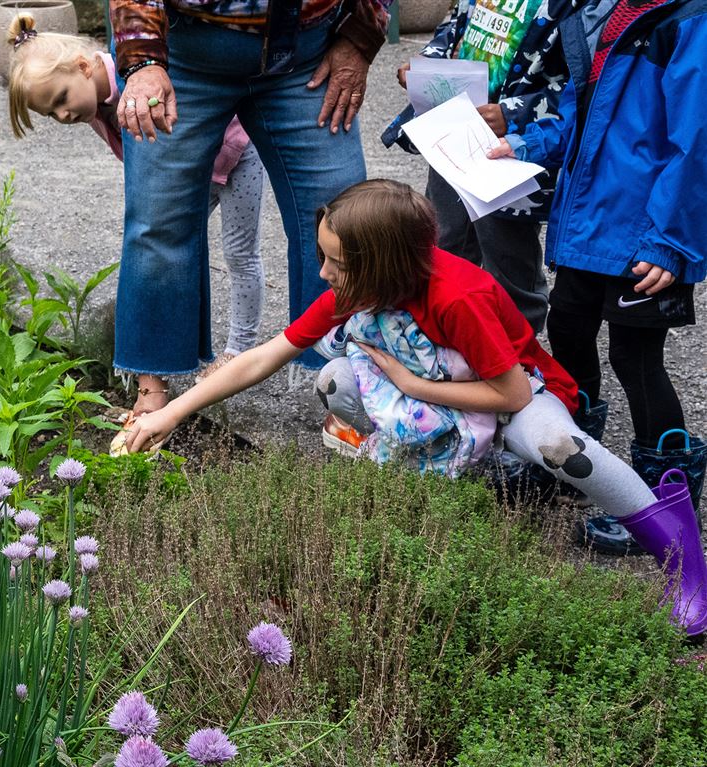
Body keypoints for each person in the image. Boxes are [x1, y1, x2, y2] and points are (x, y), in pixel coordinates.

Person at [124, 180, 707, 635]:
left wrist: (410, 382)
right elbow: (264, 357)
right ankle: (465, 472)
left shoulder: (459, 296)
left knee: (565, 451)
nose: (325, 274)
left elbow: (513, 394)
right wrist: (169, 414)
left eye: (336, 263)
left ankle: (682, 557)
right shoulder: (361, 287)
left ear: (384, 264)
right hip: (434, 400)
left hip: (509, 399)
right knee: (333, 381)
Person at [488, 0, 706, 553]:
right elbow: (580, 119)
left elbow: (696, 140)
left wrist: (671, 241)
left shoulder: (687, 18)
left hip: (645, 234)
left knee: (635, 360)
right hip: (588, 224)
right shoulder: (598, 16)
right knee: (567, 336)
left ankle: (665, 505)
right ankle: (574, 465)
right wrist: (523, 144)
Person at [107, 0, 389, 422]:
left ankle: (347, 388)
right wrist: (144, 60)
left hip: (308, 57)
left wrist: (359, 37)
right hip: (184, 56)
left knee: (348, 220)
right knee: (158, 219)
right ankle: (153, 393)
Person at [5, 15, 266, 381]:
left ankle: (241, 349)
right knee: (166, 246)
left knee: (239, 252)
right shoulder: (92, 109)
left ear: (83, 66)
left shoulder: (139, 71)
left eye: (61, 99)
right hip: (192, 175)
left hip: (236, 155)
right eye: (51, 114)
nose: (63, 115)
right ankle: (164, 354)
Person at [383, 0, 584, 334]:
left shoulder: (578, 6)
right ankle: (446, 343)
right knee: (442, 245)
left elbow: (582, 80)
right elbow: (456, 28)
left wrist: (512, 115)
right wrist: (426, 65)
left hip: (513, 151)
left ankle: (519, 362)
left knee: (508, 263)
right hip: (452, 134)